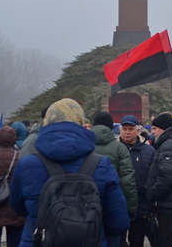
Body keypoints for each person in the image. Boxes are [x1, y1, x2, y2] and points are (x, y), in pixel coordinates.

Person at [10, 98, 129, 247]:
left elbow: (17, 207)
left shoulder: (27, 164)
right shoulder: (101, 165)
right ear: (80, 123)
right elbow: (118, 222)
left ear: (46, 122)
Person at [146, 113, 172, 247]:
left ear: (163, 129)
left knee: (168, 241)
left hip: (168, 205)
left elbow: (168, 177)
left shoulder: (169, 145)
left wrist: (152, 194)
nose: (152, 132)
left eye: (154, 129)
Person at [92, 112, 138, 221]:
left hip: (86, 204)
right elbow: (127, 181)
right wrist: (131, 208)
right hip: (112, 203)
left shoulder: (83, 144)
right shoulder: (120, 148)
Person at [118, 115, 156, 247]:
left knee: (137, 241)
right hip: (119, 205)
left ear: (137, 130)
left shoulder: (149, 150)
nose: (127, 132)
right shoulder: (115, 149)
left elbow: (154, 176)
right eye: (124, 129)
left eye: (130, 129)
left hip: (141, 205)